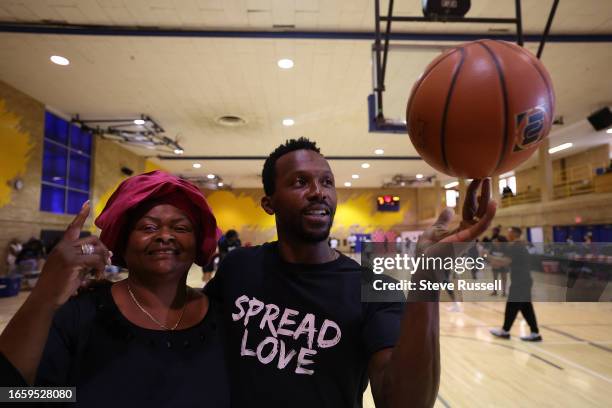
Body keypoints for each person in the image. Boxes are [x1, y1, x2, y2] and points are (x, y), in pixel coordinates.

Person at [205, 138, 496, 407]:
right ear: (270, 203)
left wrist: (428, 277)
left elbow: (402, 403)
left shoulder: (374, 291)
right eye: (299, 182)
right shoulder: (238, 267)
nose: (318, 191)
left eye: (327, 182)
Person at [0, 171, 230, 407]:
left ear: (198, 242)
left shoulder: (225, 320)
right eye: (149, 227)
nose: (165, 236)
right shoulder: (80, 314)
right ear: (122, 240)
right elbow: (10, 394)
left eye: (180, 228)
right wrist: (44, 296)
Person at [490, 227, 542, 342]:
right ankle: (535, 333)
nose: (508, 234)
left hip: (520, 281)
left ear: (514, 233)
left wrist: (486, 256)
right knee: (526, 307)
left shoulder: (515, 246)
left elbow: (504, 262)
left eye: (509, 232)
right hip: (525, 280)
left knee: (512, 306)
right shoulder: (520, 246)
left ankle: (505, 331)